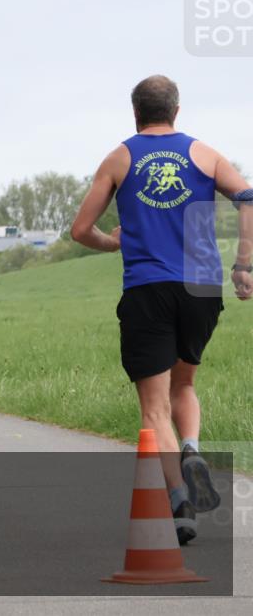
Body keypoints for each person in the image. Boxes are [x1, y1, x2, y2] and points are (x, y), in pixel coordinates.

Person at [71, 75, 253, 545]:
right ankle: (191, 450)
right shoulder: (205, 154)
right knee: (185, 383)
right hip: (201, 288)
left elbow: (80, 229)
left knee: (154, 409)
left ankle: (180, 499)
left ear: (135, 112)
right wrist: (243, 265)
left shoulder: (119, 157)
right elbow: (248, 197)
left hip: (147, 288)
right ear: (175, 109)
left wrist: (110, 242)